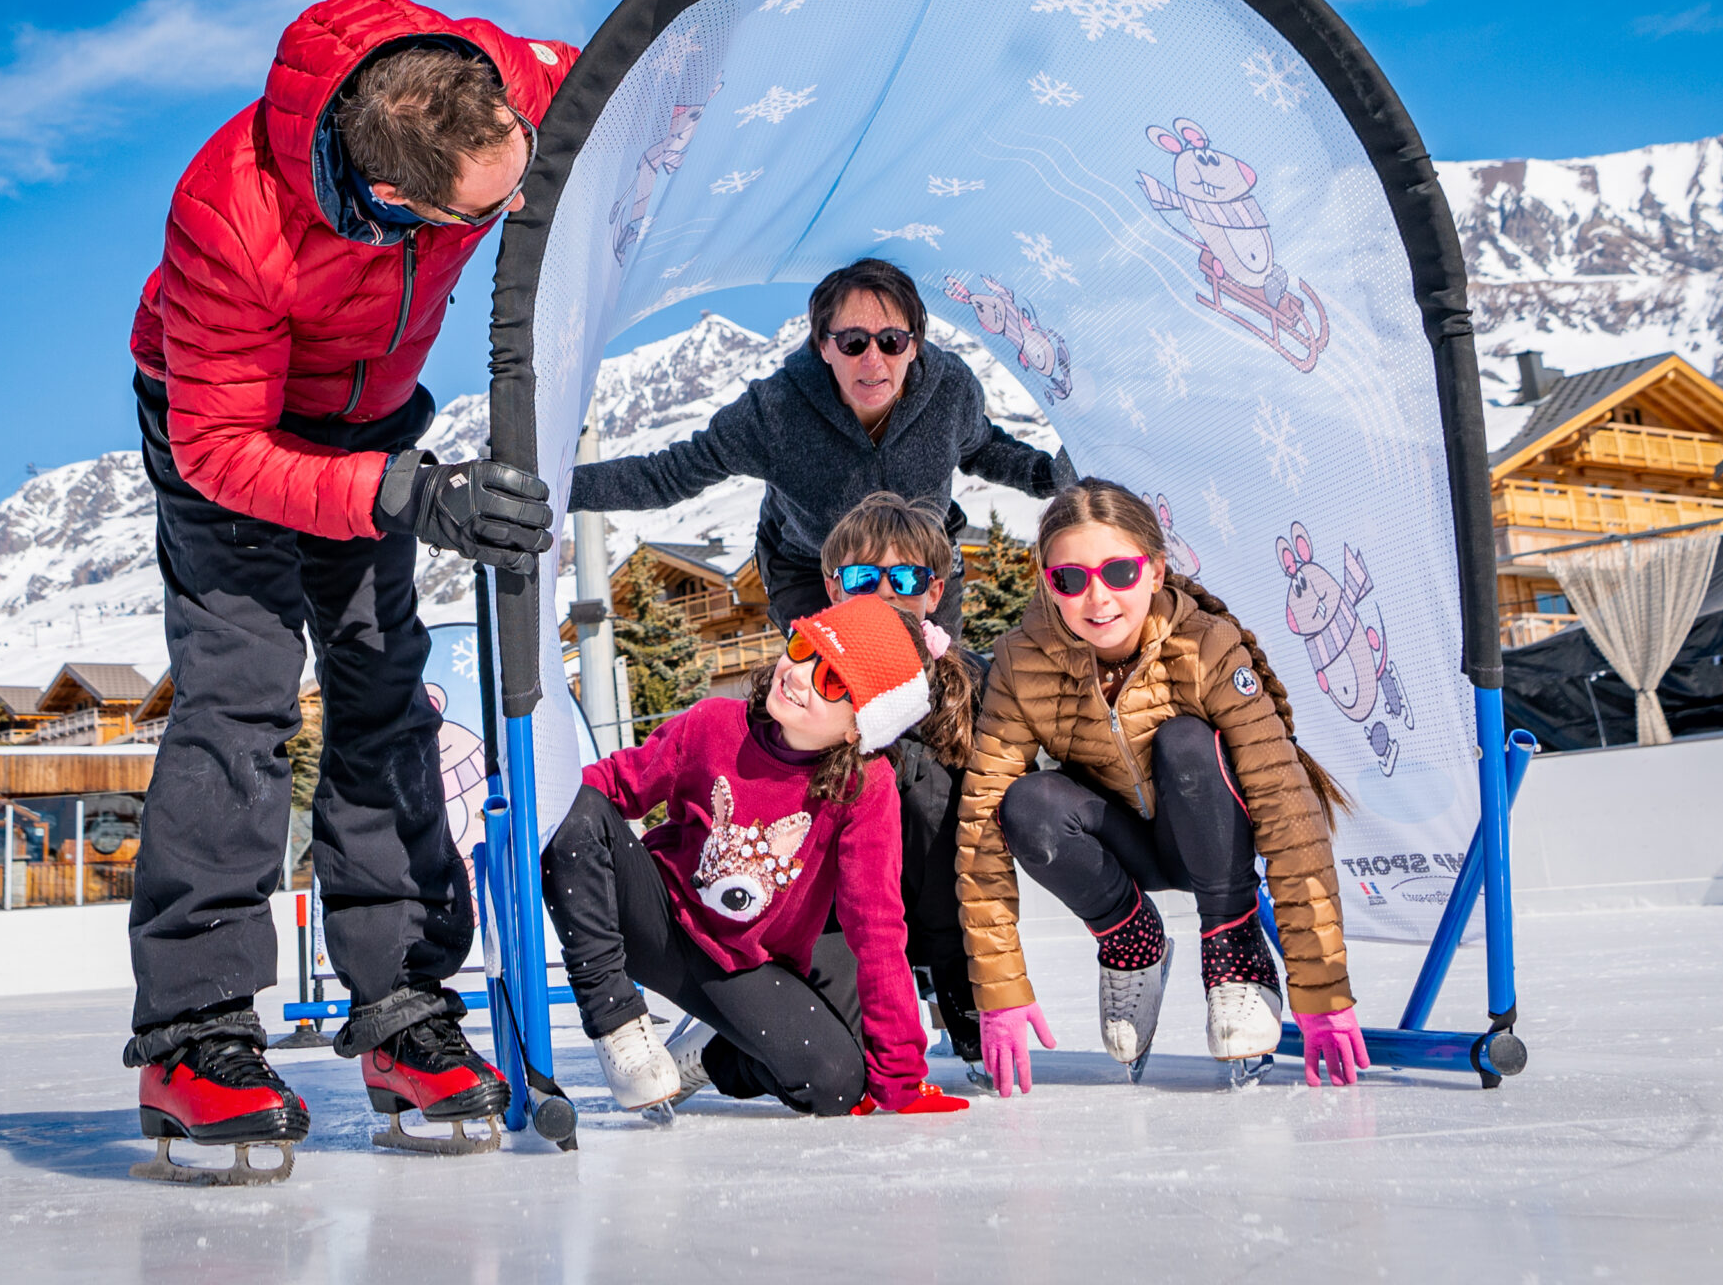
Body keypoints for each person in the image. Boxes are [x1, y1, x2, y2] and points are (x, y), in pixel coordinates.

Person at [118, 0, 582, 1184]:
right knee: (242, 703)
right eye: (487, 209)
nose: (519, 202)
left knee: (384, 691)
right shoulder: (230, 216)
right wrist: (405, 496)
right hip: (224, 438)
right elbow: (224, 449)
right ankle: (196, 1034)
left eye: (519, 169)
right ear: (393, 203)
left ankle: (404, 1005)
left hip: (369, 423)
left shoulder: (501, 85)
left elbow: (652, 89)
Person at [955, 478, 1370, 1096]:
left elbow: (1285, 806)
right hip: (1122, 845)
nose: (1097, 598)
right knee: (1024, 804)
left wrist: (1323, 990)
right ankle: (1132, 942)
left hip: (1211, 831)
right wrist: (1000, 993)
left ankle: (1233, 949)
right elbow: (980, 822)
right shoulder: (1021, 661)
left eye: (1119, 572)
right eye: (1070, 579)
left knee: (1185, 742)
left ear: (1154, 571)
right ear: (1049, 583)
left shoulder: (1205, 644)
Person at [541, 596, 973, 1120]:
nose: (798, 675)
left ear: (860, 726)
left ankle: (714, 1054)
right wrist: (524, 813)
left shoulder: (864, 788)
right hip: (657, 920)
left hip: (742, 965)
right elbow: (614, 785)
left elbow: (876, 925)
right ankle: (617, 1021)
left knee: (835, 1085)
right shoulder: (712, 725)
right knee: (575, 805)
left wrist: (901, 1073)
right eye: (802, 648)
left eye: (832, 680)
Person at [567, 259, 1066, 639]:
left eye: (891, 340)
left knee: (930, 681)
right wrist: (555, 488)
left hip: (920, 560)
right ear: (823, 346)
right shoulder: (775, 412)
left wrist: (1048, 477)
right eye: (852, 342)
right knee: (839, 695)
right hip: (814, 568)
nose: (873, 359)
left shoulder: (949, 390)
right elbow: (667, 474)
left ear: (914, 344)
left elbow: (981, 448)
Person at [815, 492, 987, 1074]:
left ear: (934, 592)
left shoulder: (966, 679)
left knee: (929, 785)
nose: (886, 593)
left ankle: (959, 995)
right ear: (836, 590)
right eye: (865, 578)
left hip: (943, 903)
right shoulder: (804, 677)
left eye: (907, 577)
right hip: (838, 912)